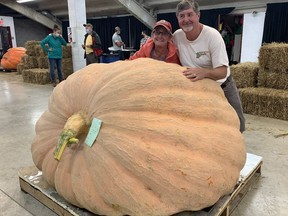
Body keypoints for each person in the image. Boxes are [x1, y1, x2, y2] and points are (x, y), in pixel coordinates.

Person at [173, 0, 245, 132]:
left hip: (223, 86)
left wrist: (203, 73)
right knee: (204, 128)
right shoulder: (177, 36)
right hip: (197, 90)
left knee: (237, 124)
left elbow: (223, 71)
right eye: (182, 16)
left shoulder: (212, 36)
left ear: (198, 15)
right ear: (177, 18)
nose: (186, 19)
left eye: (190, 15)